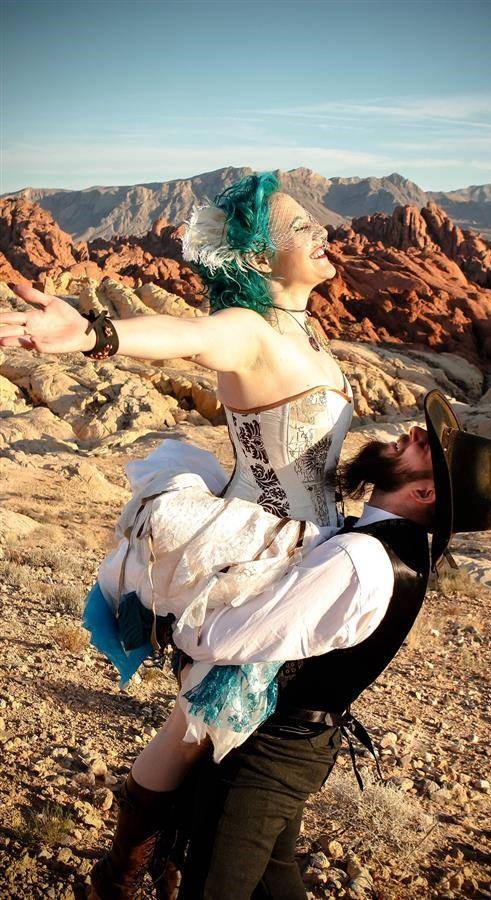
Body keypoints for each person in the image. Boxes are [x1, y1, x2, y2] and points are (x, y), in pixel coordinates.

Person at [0, 173, 354, 891]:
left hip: (307, 553)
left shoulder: (302, 327)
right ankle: (130, 869)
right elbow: (188, 338)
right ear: (258, 261)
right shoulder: (248, 330)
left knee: (238, 729)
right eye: (300, 228)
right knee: (199, 725)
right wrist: (97, 333)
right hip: (257, 563)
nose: (322, 231)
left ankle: (197, 855)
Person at [168, 390, 491, 900]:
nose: (413, 433)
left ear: (424, 494)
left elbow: (235, 638)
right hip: (295, 746)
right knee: (273, 881)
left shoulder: (359, 556)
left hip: (268, 755)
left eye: (426, 452)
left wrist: (173, 619)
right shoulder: (386, 546)